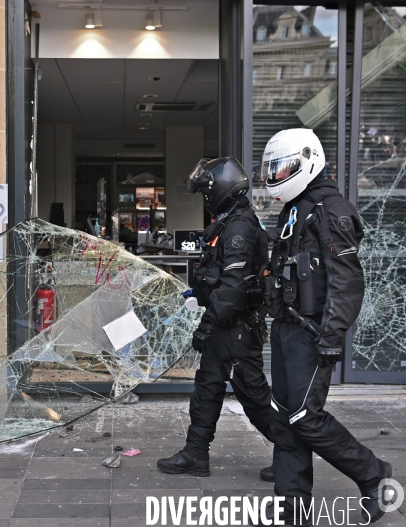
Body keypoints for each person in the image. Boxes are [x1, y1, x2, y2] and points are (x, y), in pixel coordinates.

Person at [260, 128, 391, 525]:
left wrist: (333, 335)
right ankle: (293, 508)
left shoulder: (331, 209)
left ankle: (374, 476)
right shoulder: (296, 207)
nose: (277, 176)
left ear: (308, 159)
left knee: (305, 416)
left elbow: (346, 280)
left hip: (313, 331)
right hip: (286, 326)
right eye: (273, 169)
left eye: (284, 168)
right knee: (284, 419)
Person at [157, 156, 274, 480]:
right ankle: (196, 454)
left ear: (222, 188)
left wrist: (208, 324)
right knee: (207, 389)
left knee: (254, 397)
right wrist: (196, 295)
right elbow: (218, 277)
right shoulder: (230, 221)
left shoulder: (240, 227)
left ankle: (290, 453)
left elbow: (235, 286)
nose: (206, 198)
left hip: (235, 330)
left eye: (207, 191)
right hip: (224, 326)